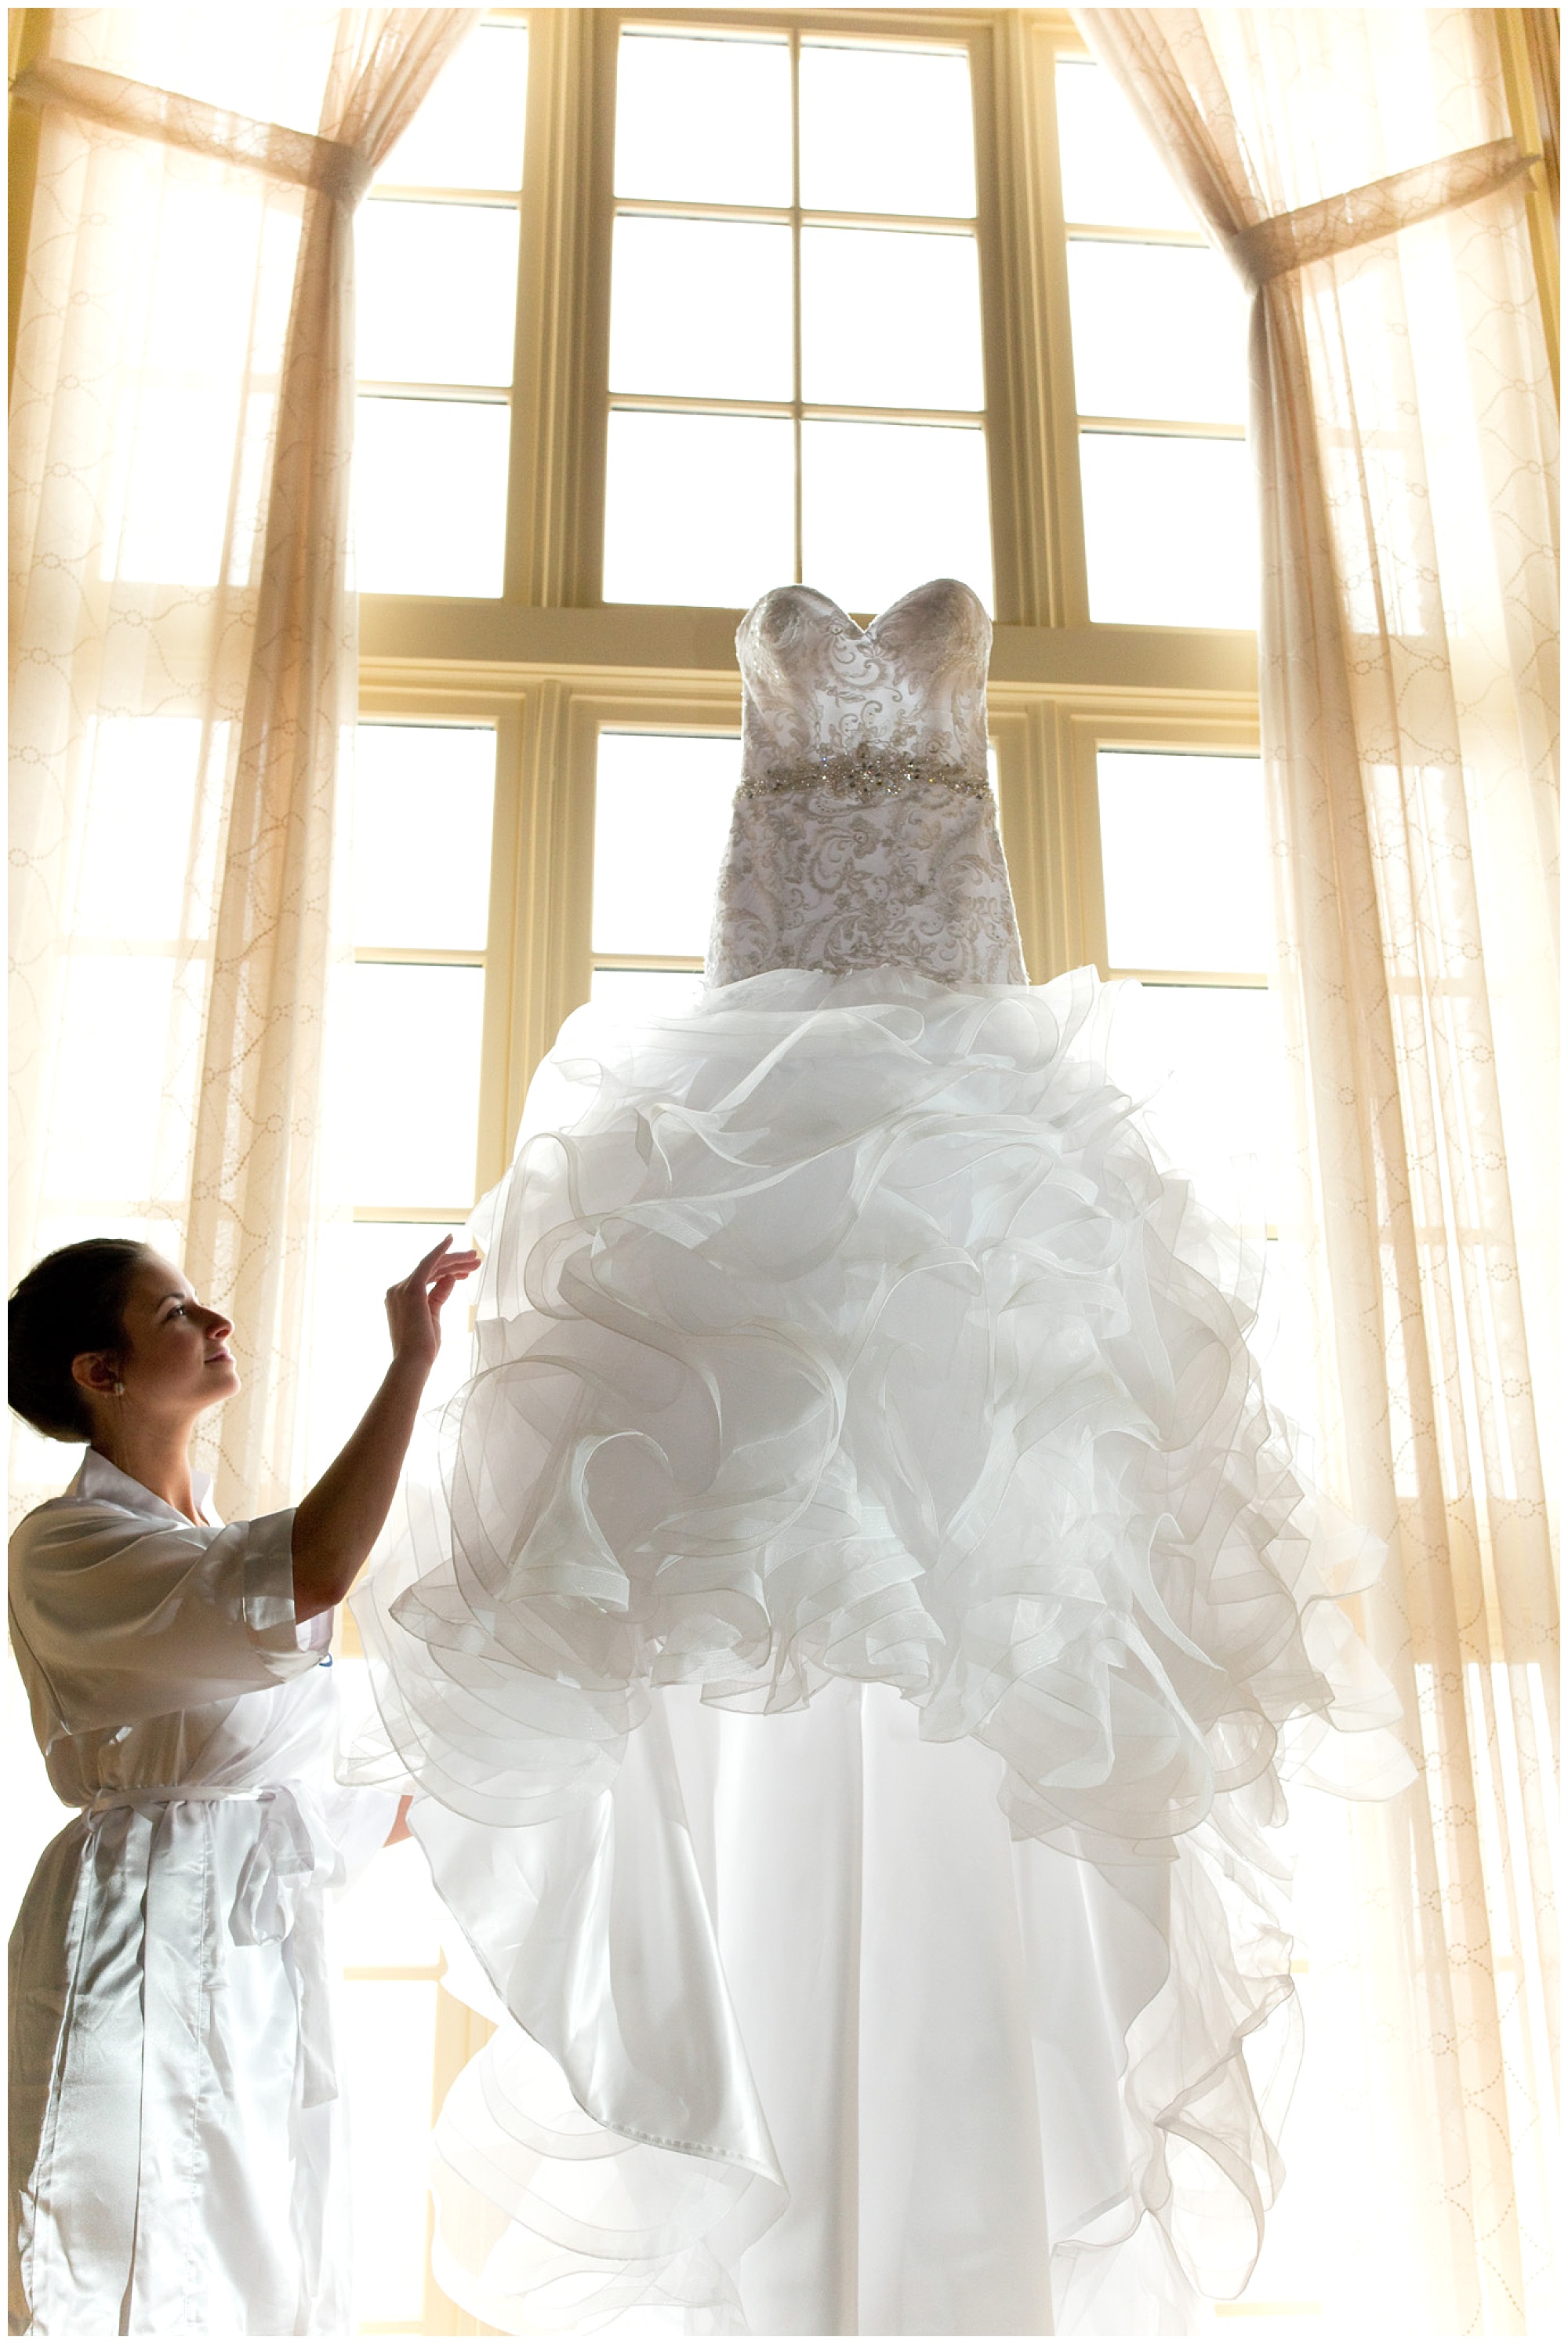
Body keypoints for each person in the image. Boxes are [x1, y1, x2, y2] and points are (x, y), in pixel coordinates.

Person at [350, 580, 1413, 2336]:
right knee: (746, 1586)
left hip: (961, 1100)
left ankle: (946, 2221)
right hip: (758, 1074)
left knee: (996, 1575)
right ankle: (774, 2188)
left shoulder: (916, 684)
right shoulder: (798, 706)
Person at [7, 1231, 478, 2338]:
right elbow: (312, 1566)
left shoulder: (199, 1538)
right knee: (130, 2250)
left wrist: (500, 1762)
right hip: (139, 1932)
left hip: (260, 1951)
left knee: (266, 2250)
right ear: (99, 1370)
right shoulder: (67, 1546)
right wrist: (410, 1363)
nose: (216, 1320)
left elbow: (288, 1790)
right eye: (175, 1313)